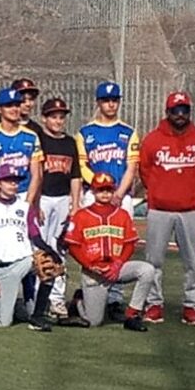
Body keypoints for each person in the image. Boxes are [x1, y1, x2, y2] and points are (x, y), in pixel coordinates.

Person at [139, 91, 195, 326]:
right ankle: (154, 304)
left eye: (184, 110)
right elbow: (145, 170)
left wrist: (192, 193)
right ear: (168, 112)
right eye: (176, 110)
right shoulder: (153, 139)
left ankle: (191, 306)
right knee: (153, 260)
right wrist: (157, 191)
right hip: (160, 208)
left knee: (192, 261)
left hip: (189, 209)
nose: (180, 115)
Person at [75, 81, 140, 321]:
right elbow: (82, 165)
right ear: (98, 102)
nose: (111, 104)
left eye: (114, 100)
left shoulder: (128, 131)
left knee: (119, 245)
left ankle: (115, 298)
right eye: (106, 100)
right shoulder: (85, 133)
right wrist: (99, 186)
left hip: (121, 196)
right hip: (93, 193)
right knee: (91, 243)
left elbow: (132, 167)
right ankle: (91, 291)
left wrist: (118, 194)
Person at [64, 173, 156, 331]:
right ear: (93, 191)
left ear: (113, 191)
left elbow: (129, 243)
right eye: (100, 190)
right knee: (94, 321)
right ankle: (78, 301)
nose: (105, 194)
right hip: (94, 271)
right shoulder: (82, 215)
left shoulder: (122, 214)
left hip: (116, 269)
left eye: (108, 190)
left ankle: (132, 314)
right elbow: (73, 246)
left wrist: (119, 264)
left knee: (147, 270)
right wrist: (89, 265)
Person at [0, 165, 58, 330]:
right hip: (2, 266)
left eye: (15, 181)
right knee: (4, 322)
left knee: (49, 266)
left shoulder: (25, 207)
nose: (13, 185)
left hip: (24, 259)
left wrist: (50, 250)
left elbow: (35, 235)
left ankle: (37, 316)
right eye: (8, 181)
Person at [36, 97, 81, 318]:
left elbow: (75, 176)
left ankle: (56, 298)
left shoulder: (70, 143)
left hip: (63, 199)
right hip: (43, 198)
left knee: (60, 249)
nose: (58, 121)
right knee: (40, 250)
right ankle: (37, 298)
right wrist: (35, 202)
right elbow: (35, 174)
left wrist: (75, 205)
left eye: (61, 117)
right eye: (53, 116)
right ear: (44, 118)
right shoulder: (39, 140)